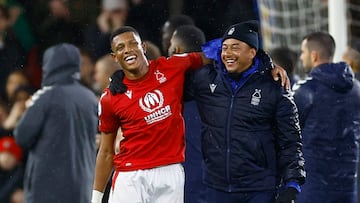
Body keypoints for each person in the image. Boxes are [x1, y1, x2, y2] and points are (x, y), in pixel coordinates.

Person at [92, 25, 290, 203]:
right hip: (131, 175)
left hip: (170, 172)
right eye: (120, 48)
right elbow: (107, 151)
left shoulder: (173, 67)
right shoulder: (111, 96)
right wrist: (96, 198)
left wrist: (265, 63)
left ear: (143, 46)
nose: (127, 50)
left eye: (132, 44)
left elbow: (218, 52)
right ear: (114, 57)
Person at [183, 20, 305, 203]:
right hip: (216, 187)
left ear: (252, 52)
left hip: (259, 188)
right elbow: (165, 85)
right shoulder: (205, 79)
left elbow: (290, 139)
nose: (228, 53)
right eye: (224, 48)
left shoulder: (274, 86)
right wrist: (124, 75)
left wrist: (293, 183)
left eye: (235, 47)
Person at [13, 43, 99, 203]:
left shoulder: (46, 96)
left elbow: (22, 136)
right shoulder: (90, 98)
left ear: (48, 65)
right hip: (83, 188)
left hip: (48, 188)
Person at [293, 31, 360, 203]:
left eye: (303, 52)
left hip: (313, 189)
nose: (301, 57)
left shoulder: (306, 90)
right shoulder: (356, 89)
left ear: (314, 56)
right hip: (348, 188)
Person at [168, 24, 207, 203]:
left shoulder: (165, 85)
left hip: (183, 179)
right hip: (217, 180)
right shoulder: (222, 81)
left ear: (176, 49)